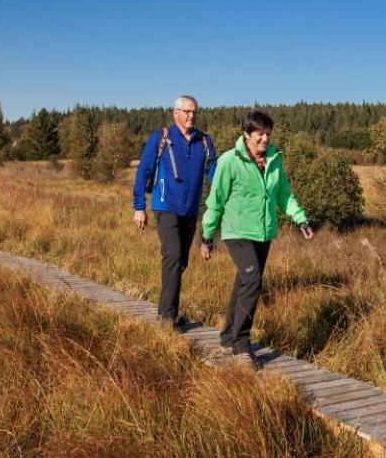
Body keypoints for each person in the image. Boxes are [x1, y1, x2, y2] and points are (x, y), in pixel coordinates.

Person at [200, 110, 314, 366]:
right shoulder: (230, 161)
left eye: (268, 134)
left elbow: (283, 194)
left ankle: (227, 337)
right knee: (252, 280)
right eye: (259, 134)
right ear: (246, 134)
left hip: (263, 232)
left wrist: (301, 219)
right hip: (237, 231)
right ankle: (241, 346)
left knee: (244, 281)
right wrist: (207, 236)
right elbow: (216, 200)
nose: (265, 139)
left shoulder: (274, 159)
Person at [132, 95, 217, 328]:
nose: (191, 116)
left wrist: (230, 195)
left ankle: (167, 311)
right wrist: (139, 207)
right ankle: (167, 319)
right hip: (165, 205)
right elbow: (143, 172)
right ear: (175, 113)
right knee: (173, 255)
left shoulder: (204, 142)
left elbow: (216, 175)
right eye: (187, 111)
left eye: (194, 112)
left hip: (190, 210)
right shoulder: (161, 138)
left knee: (181, 262)